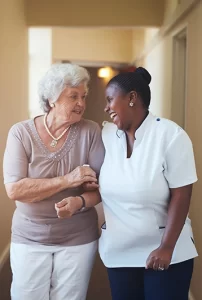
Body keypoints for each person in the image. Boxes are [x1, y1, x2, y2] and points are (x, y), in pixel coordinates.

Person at [3, 63, 105, 300]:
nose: (81, 103)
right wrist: (69, 179)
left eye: (83, 96)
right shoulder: (21, 133)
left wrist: (79, 201)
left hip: (78, 237)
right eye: (73, 96)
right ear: (51, 100)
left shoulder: (91, 132)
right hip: (29, 236)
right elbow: (15, 189)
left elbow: (99, 189)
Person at [98, 67, 198, 300]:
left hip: (164, 253)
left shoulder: (171, 135)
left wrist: (167, 247)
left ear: (132, 98)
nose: (106, 107)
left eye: (110, 100)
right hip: (119, 254)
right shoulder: (106, 137)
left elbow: (181, 195)